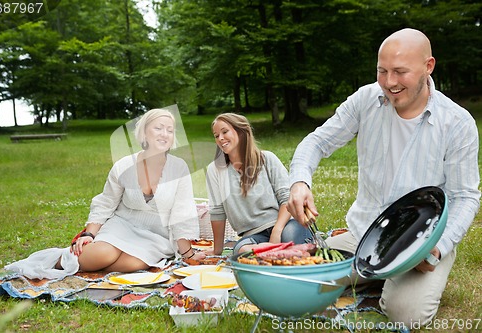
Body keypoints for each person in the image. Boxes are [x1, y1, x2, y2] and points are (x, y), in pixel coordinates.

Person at [287, 28, 480, 328]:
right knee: (299, 288)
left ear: (428, 66)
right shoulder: (366, 99)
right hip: (363, 232)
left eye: (400, 72)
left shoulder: (457, 123)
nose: (389, 82)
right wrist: (300, 182)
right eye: (382, 71)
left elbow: (466, 196)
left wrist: (438, 249)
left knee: (406, 315)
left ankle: (386, 279)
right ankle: (370, 274)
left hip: (420, 242)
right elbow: (317, 142)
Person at [7, 109, 205, 279]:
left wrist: (187, 253)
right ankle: (60, 261)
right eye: (159, 128)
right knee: (103, 254)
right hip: (123, 224)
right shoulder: (124, 165)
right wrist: (89, 233)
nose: (165, 134)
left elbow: (182, 211)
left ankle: (82, 265)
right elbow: (106, 202)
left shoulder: (179, 167)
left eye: (170, 130)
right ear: (144, 133)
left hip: (157, 234)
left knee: (133, 265)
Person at [205, 113, 311, 256]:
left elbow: (287, 198)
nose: (220, 138)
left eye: (224, 132)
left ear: (241, 132)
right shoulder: (215, 170)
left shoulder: (267, 159)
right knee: (241, 250)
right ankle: (283, 254)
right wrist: (217, 250)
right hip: (253, 236)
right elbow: (218, 212)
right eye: (216, 135)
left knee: (290, 236)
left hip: (284, 224)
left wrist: (276, 231)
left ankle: (273, 254)